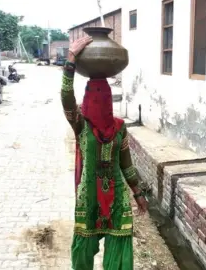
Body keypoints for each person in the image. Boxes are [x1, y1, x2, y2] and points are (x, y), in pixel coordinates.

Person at [61, 36, 148, 270]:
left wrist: (138, 193)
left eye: (103, 96)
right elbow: (66, 98)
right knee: (83, 253)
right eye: (93, 95)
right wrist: (70, 61)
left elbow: (126, 164)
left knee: (119, 247)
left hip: (117, 199)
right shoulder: (81, 124)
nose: (98, 101)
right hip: (88, 198)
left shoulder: (119, 127)